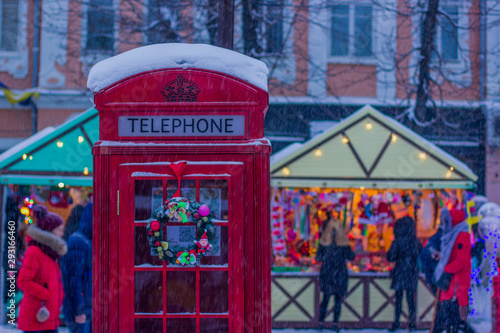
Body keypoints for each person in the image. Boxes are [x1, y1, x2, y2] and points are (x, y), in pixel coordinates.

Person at [17, 205, 67, 333]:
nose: (62, 233)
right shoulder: (35, 252)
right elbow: (23, 281)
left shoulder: (51, 253)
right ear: (49, 231)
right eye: (59, 230)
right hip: (36, 319)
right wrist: (47, 294)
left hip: (48, 318)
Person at [433, 209, 474, 333]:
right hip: (452, 280)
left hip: (457, 281)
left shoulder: (462, 236)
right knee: (450, 313)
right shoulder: (453, 234)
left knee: (454, 314)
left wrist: (446, 268)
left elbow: (461, 260)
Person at [316, 214, 355, 331]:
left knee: (326, 299)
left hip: (327, 272)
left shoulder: (323, 242)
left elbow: (318, 257)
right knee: (338, 300)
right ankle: (335, 324)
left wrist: (327, 256)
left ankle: (321, 322)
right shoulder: (343, 243)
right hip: (340, 273)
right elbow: (350, 257)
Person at [61, 203, 92, 333]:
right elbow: (73, 280)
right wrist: (79, 310)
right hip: (79, 310)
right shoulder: (78, 241)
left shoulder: (86, 240)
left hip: (87, 307)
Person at [387, 216, 422, 332]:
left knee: (398, 299)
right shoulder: (416, 242)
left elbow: (390, 257)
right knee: (411, 300)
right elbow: (421, 257)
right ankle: (412, 323)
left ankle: (396, 323)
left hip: (400, 272)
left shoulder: (397, 241)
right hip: (412, 272)